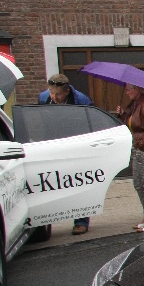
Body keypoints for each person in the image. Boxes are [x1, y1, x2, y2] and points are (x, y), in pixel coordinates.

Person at [38, 74, 93, 235]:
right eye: (51, 93)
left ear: (67, 91)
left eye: (58, 94)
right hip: (53, 145)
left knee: (78, 183)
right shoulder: (43, 99)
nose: (54, 98)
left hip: (76, 146)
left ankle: (81, 221)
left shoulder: (82, 101)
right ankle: (45, 222)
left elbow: (90, 124)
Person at [118, 84, 144, 232]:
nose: (127, 93)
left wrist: (142, 144)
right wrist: (123, 114)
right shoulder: (135, 104)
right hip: (138, 147)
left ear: (137, 89)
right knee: (138, 183)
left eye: (129, 90)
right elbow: (131, 124)